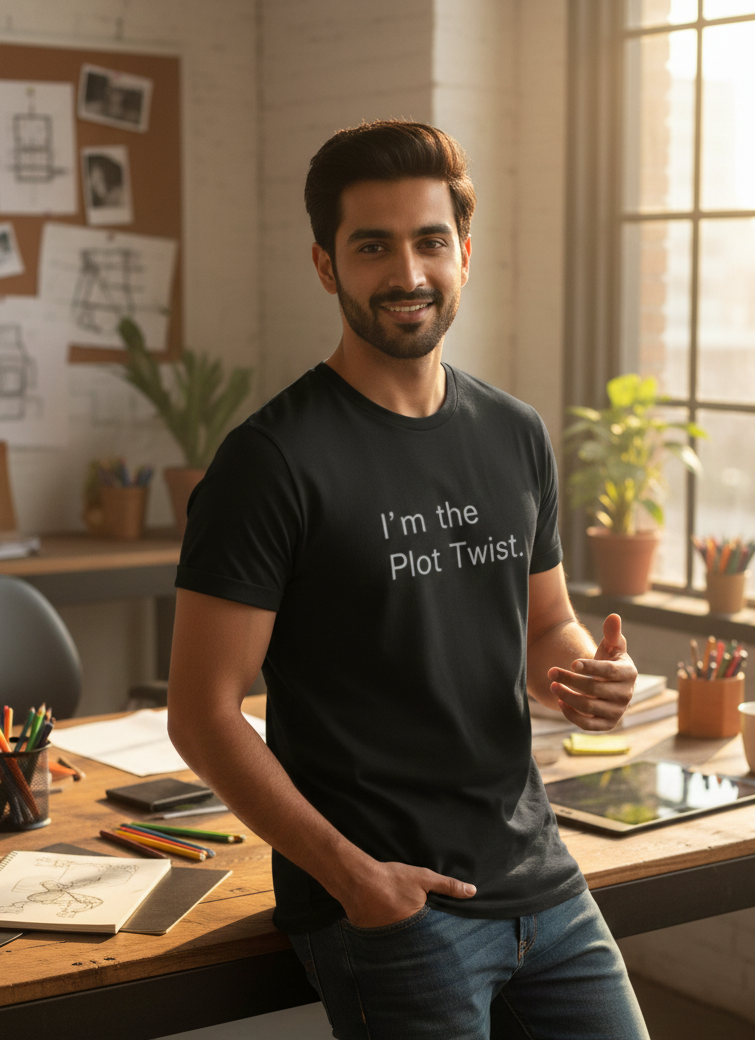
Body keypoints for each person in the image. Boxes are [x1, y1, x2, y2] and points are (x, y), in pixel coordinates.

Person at [168, 120, 649, 1039]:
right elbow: (202, 713)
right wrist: (352, 877)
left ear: (463, 252)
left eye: (430, 241)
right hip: (393, 906)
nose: (408, 273)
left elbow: (546, 626)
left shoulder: (516, 434)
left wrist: (589, 673)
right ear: (326, 265)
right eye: (373, 246)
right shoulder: (270, 462)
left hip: (542, 879)